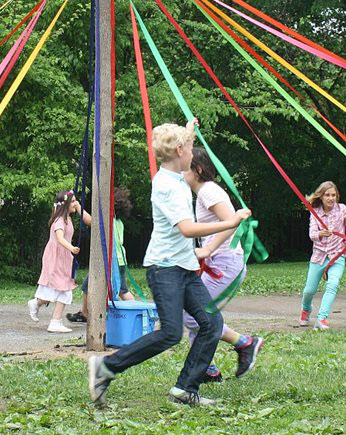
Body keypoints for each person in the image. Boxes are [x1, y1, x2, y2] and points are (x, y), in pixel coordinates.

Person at [88, 119, 252, 407]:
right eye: (189, 147)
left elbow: (182, 143)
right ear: (179, 151)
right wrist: (230, 221)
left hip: (184, 268)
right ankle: (106, 367)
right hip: (165, 269)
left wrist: (189, 128)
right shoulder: (168, 186)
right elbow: (187, 229)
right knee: (170, 333)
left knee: (212, 325)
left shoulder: (174, 176)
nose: (193, 153)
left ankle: (185, 389)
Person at [183, 148, 263, 383]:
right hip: (218, 263)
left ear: (197, 170)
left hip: (225, 264)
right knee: (194, 313)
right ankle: (208, 369)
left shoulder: (208, 191)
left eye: (183, 168)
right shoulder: (204, 192)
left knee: (193, 315)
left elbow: (233, 223)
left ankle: (245, 343)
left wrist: (207, 250)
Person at [66, 188, 136, 324]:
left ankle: (87, 313)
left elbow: (90, 220)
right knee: (119, 289)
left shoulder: (108, 220)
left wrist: (79, 206)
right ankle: (85, 312)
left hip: (112, 261)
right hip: (117, 261)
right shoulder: (117, 221)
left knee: (113, 288)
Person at [27, 191, 91, 333]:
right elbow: (60, 238)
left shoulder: (67, 218)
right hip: (56, 257)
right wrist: (71, 248)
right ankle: (54, 321)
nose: (76, 203)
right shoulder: (60, 220)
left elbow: (90, 221)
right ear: (66, 204)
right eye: (73, 201)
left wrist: (78, 207)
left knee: (56, 289)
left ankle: (37, 304)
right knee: (63, 289)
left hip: (63, 257)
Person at [298, 181, 346, 330]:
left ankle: (322, 318)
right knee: (309, 291)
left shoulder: (344, 210)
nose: (331, 198)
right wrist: (320, 234)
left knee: (333, 285)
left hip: (337, 256)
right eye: (327, 195)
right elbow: (312, 234)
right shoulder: (315, 212)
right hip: (319, 256)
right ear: (321, 196)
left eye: (333, 195)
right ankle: (306, 309)